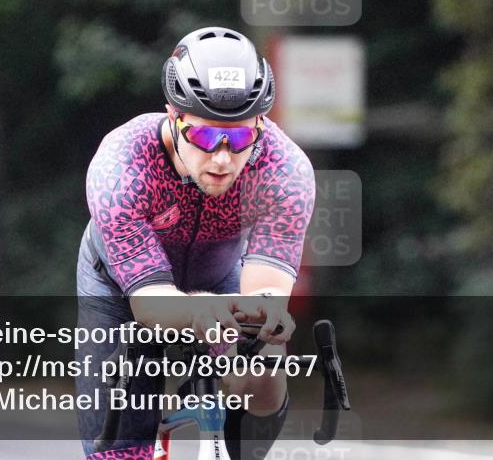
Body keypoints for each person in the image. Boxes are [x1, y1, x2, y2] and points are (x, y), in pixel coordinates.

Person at [75, 26, 316, 459]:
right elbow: (150, 304)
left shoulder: (285, 172)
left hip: (220, 274)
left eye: (240, 137)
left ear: (261, 124)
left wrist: (263, 319)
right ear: (173, 115)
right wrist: (202, 310)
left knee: (263, 372)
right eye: (205, 137)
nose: (223, 157)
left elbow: (266, 295)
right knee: (120, 448)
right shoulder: (121, 166)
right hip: (118, 288)